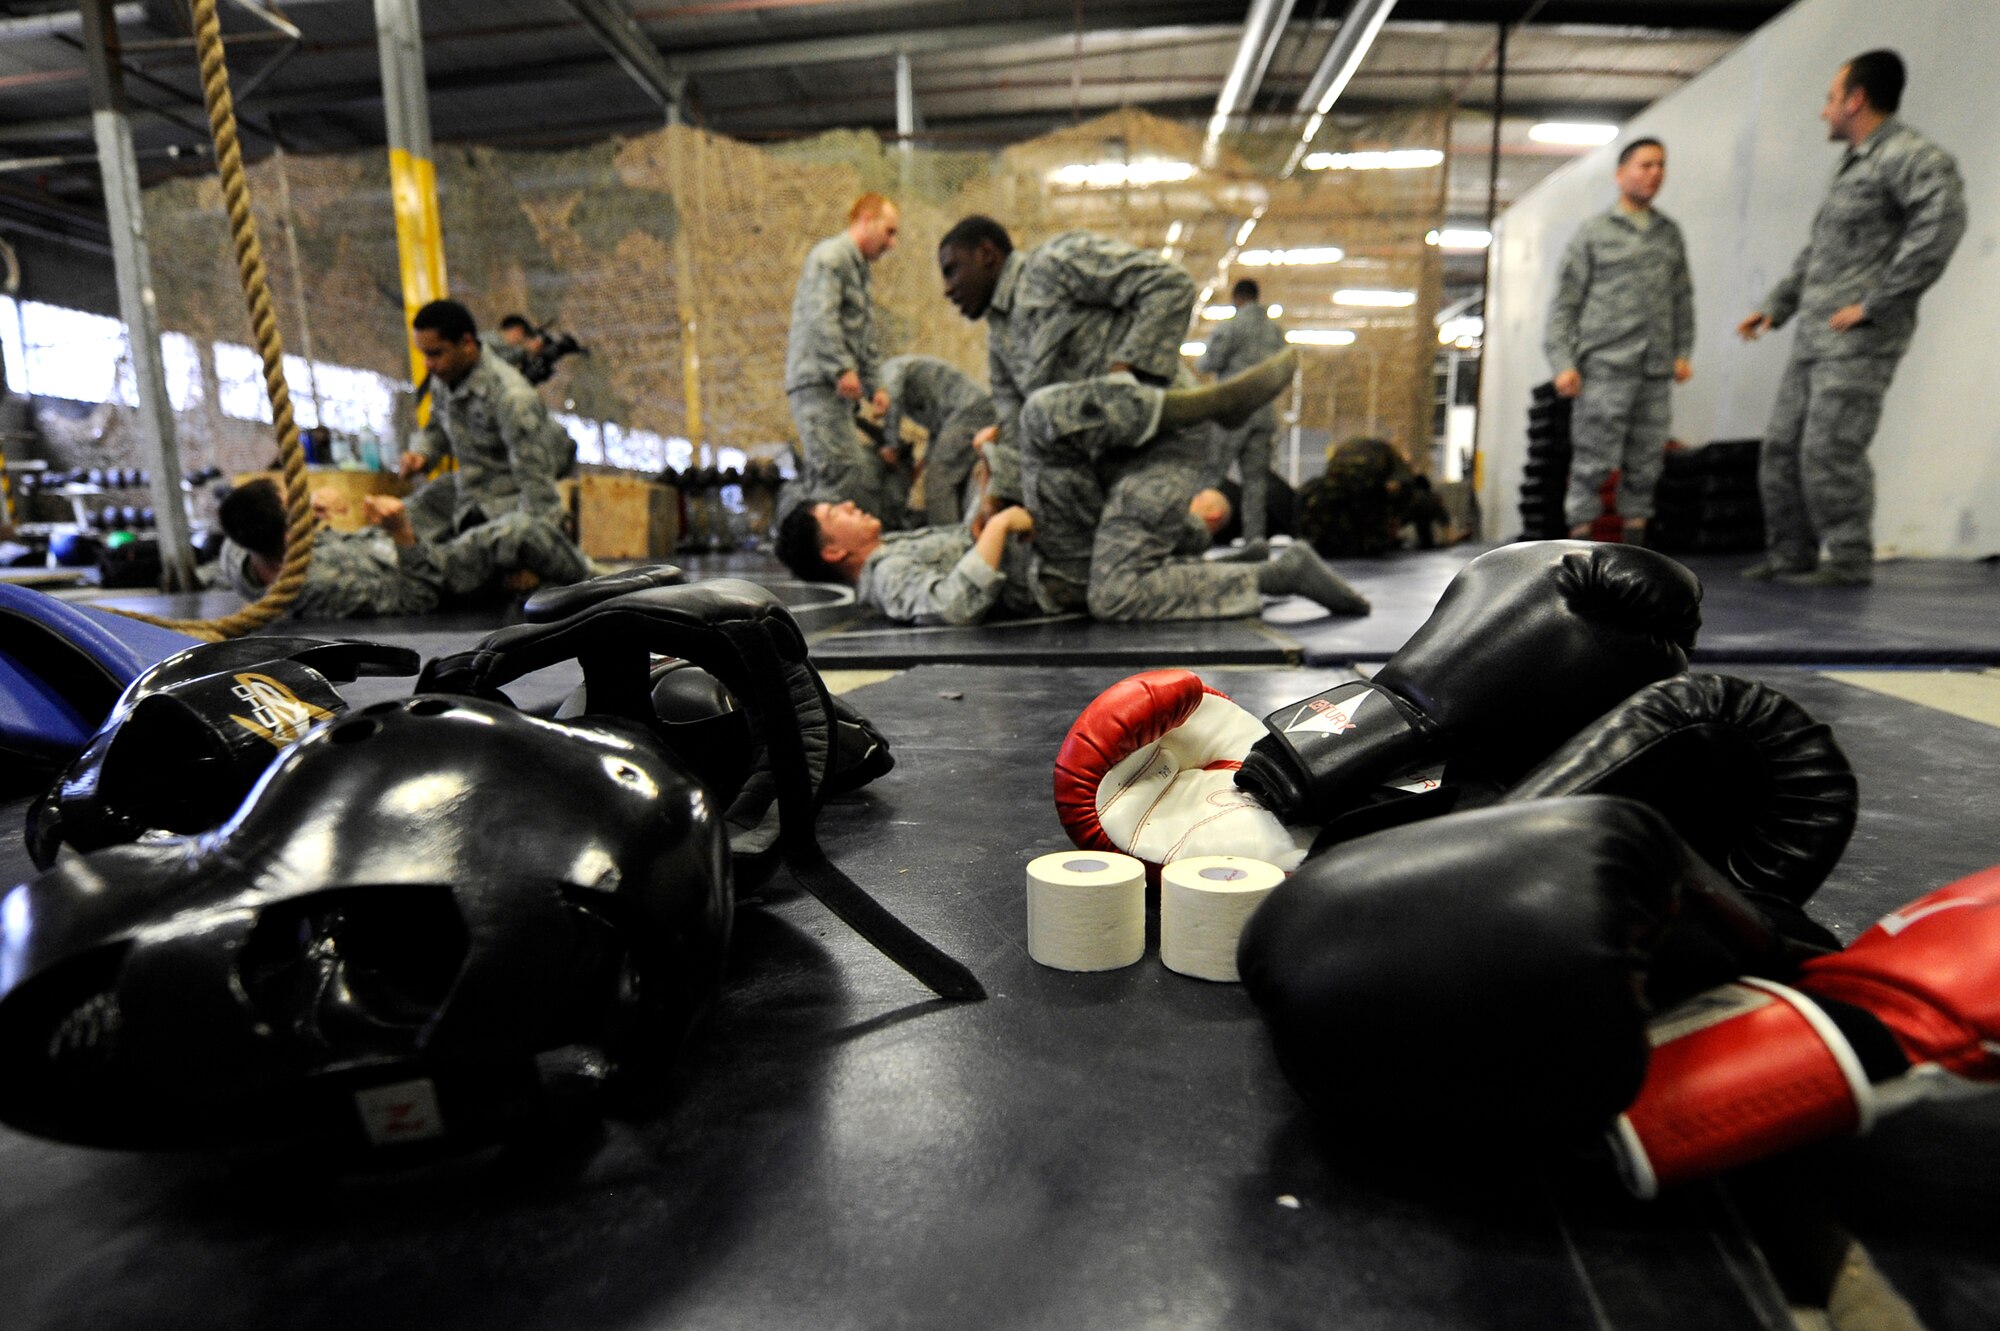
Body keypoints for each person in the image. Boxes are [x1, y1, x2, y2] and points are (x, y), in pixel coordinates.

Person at [937, 215, 1368, 623]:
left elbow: (1169, 283)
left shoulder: (1056, 263)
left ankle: (1281, 573)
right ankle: (1198, 544)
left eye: (953, 270)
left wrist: (1128, 372)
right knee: (1071, 578)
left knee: (1115, 593)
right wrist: (998, 495)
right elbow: (1014, 429)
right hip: (1099, 466)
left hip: (1162, 443)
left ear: (988, 254)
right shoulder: (1000, 339)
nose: (948, 289)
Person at [1737, 50, 1965, 587]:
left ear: (1856, 99)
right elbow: (1820, 251)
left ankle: (1847, 558)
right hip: (1815, 334)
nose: (1824, 111)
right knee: (1783, 448)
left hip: (1860, 337)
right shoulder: (1853, 164)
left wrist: (1875, 303)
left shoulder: (1912, 156)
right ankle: (1791, 554)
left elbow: (1941, 228)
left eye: (1830, 98)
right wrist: (1775, 307)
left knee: (1830, 449)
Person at [774, 484, 1237, 627]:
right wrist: (998, 526)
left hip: (1041, 557)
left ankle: (1206, 542)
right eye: (839, 512)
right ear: (834, 550)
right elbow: (953, 604)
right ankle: (1210, 539)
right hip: (1045, 575)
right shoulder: (886, 575)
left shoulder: (889, 548)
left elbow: (962, 542)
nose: (853, 505)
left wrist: (985, 495)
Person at [1543, 138, 1694, 549]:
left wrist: (1683, 352)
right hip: (1604, 368)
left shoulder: (1669, 234)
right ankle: (1577, 550)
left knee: (1646, 464)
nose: (1654, 173)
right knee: (1592, 463)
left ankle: (1635, 551)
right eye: (1645, 165)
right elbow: (1564, 305)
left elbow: (1682, 297)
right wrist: (1562, 363)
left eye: (1660, 166)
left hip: (1654, 368)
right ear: (1620, 173)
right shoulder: (1593, 234)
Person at [218, 479, 588, 619]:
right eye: (293, 506)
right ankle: (595, 584)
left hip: (382, 541)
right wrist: (401, 533)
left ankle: (523, 573)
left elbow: (232, 546)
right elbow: (415, 597)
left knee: (457, 486)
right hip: (425, 567)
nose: (303, 503)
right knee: (521, 531)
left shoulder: (246, 554)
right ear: (287, 537)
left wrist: (308, 507)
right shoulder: (316, 585)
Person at [398, 300, 578, 552]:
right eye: (424, 354)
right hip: (469, 491)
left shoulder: (511, 397)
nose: (428, 364)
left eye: (436, 353)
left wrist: (533, 553)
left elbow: (538, 489)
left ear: (467, 343)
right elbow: (437, 429)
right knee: (400, 519)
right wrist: (422, 454)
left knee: (462, 556)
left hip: (509, 502)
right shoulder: (446, 380)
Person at [784, 194, 903, 524]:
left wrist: (876, 384)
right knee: (840, 476)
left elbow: (863, 336)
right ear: (866, 219)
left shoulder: (858, 269)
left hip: (833, 387)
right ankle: (824, 563)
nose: (892, 243)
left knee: (838, 473)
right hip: (818, 384)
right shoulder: (832, 258)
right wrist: (841, 368)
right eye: (889, 231)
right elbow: (821, 318)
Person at [1198, 279, 1289, 555]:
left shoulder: (1230, 328)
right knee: (1256, 483)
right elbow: (1284, 370)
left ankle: (1197, 534)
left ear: (1236, 298)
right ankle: (1255, 542)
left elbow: (1207, 363)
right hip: (1263, 415)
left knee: (1211, 476)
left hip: (1233, 414)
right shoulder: (1275, 332)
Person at [875, 354, 996, 528]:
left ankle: (947, 542)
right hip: (967, 413)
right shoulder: (903, 387)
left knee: (938, 481)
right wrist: (922, 463)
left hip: (967, 411)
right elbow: (937, 428)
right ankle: (962, 531)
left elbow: (892, 395)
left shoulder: (886, 373)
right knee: (953, 480)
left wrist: (891, 444)